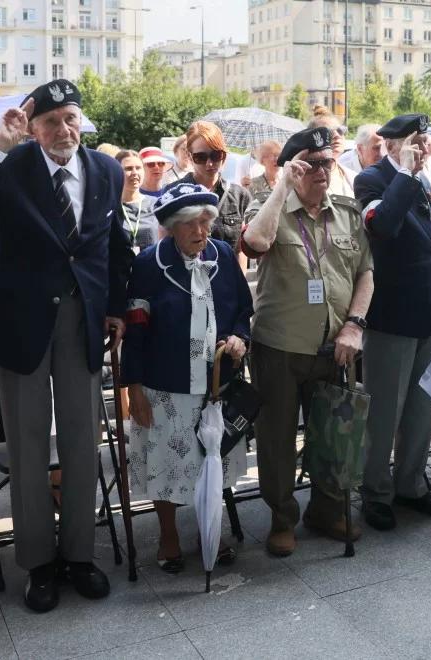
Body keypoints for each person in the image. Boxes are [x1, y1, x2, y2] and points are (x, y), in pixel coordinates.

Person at [0, 79, 133, 614]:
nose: (62, 130)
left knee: (80, 442)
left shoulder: (107, 170)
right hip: (21, 325)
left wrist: (115, 304)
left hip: (83, 321)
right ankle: (38, 564)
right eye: (50, 123)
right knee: (25, 447)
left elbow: (114, 244)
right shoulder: (9, 166)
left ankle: (80, 554)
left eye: (70, 119)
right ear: (33, 127)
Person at [241, 127, 373, 556]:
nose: (321, 172)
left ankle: (327, 509)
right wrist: (281, 184)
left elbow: (366, 272)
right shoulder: (272, 208)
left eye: (326, 163)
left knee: (333, 434)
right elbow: (255, 243)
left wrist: (355, 324)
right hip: (279, 347)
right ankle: (282, 519)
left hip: (334, 347)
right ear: (293, 169)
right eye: (310, 165)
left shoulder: (348, 213)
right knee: (277, 441)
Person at [121, 182, 253, 572]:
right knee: (165, 462)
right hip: (166, 384)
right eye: (190, 225)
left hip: (217, 384)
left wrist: (239, 337)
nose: (201, 232)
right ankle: (168, 534)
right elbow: (136, 329)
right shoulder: (148, 264)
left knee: (214, 461)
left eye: (206, 222)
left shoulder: (223, 254)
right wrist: (134, 388)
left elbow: (241, 308)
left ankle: (210, 529)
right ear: (171, 228)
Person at [353, 113, 431, 529]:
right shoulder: (373, 179)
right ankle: (375, 492)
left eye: (425, 139)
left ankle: (411, 483)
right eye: (415, 140)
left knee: (419, 409)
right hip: (391, 316)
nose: (424, 147)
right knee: (383, 412)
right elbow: (384, 226)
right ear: (391, 144)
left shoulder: (421, 180)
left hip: (427, 313)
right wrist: (407, 175)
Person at [177, 121, 253, 259]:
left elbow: (240, 250)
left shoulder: (240, 196)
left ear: (224, 155)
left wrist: (239, 279)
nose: (209, 163)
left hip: (227, 278)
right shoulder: (173, 194)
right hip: (185, 278)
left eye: (216, 155)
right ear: (189, 156)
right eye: (200, 157)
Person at [116, 149, 162, 251]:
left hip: (150, 265)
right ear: (117, 171)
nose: (134, 172)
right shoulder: (110, 206)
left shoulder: (157, 204)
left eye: (138, 168)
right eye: (128, 168)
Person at [307, 107, 356, 196]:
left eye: (340, 130)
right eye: (328, 132)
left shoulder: (353, 176)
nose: (337, 135)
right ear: (313, 138)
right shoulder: (305, 177)